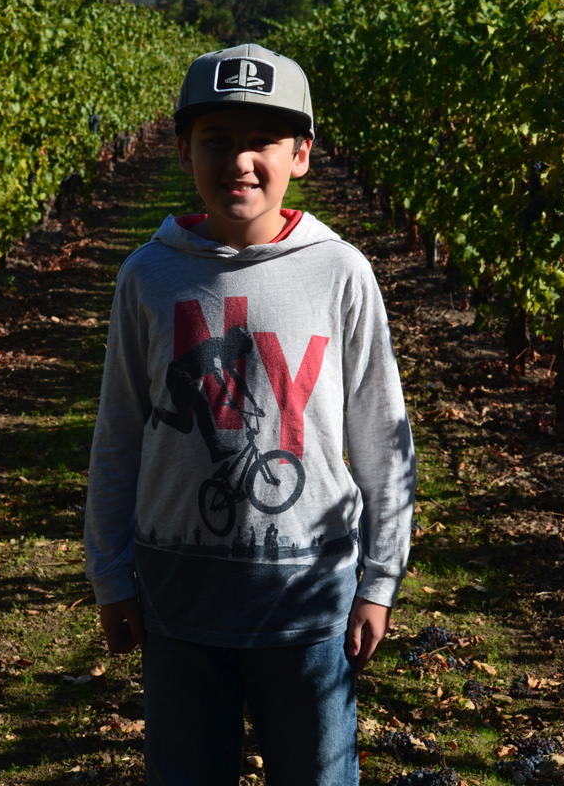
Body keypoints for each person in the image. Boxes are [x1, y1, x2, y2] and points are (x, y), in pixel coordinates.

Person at [84, 43, 416, 786]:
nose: (240, 160)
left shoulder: (339, 273)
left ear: (301, 154)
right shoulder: (148, 276)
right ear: (183, 151)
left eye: (263, 140)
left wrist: (380, 580)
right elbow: (119, 435)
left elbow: (381, 436)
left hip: (309, 605)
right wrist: (109, 573)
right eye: (217, 140)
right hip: (177, 600)